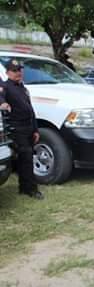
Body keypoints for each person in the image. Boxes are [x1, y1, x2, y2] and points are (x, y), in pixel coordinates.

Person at [0, 59, 43, 200]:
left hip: (29, 127)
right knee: (26, 157)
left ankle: (24, 187)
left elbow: (31, 110)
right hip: (17, 128)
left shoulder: (23, 88)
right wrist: (3, 103)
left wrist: (35, 129)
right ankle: (31, 189)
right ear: (7, 73)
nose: (18, 73)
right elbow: (1, 97)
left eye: (19, 70)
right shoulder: (5, 86)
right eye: (14, 71)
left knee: (26, 159)